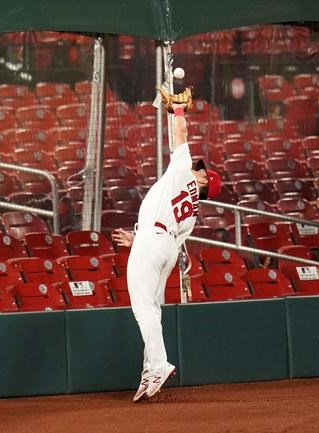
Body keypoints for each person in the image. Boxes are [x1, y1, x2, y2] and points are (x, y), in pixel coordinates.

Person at [112, 103, 222, 402]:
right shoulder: (193, 212)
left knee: (142, 309)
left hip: (154, 240)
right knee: (153, 309)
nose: (199, 168)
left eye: (203, 172)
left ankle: (159, 364)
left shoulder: (183, 172)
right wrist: (139, 239)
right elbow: (167, 238)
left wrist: (178, 110)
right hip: (165, 245)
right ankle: (151, 367)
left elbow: (181, 134)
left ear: (202, 182)